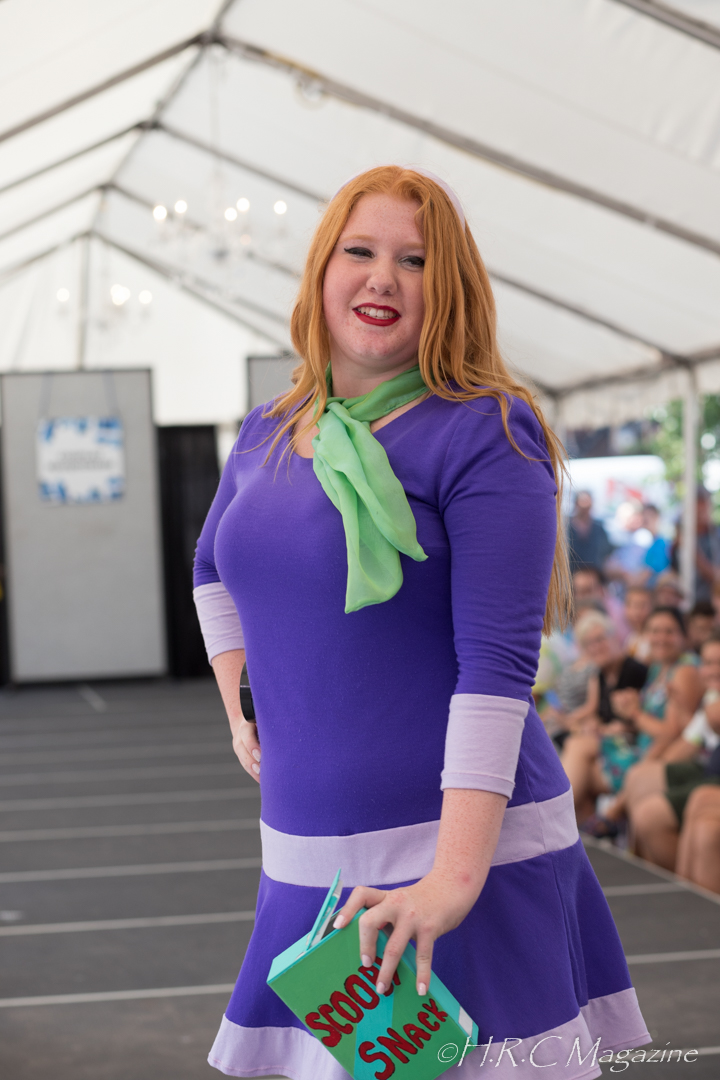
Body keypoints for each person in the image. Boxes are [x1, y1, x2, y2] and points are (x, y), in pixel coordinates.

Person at [193, 165, 648, 1078]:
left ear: (453, 289)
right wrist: (246, 709)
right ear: (321, 269)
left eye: (416, 260)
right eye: (359, 251)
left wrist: (452, 881)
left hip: (458, 860)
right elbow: (214, 569)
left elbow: (497, 667)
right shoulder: (268, 429)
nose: (383, 278)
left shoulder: (489, 430)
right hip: (306, 854)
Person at [624, 631, 720, 871]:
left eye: (719, 663)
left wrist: (635, 714)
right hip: (706, 767)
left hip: (710, 773)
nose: (713, 670)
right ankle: (640, 865)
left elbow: (706, 721)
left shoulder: (701, 687)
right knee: (639, 776)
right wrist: (658, 764)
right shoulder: (709, 692)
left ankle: (679, 882)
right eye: (708, 663)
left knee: (653, 815)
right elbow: (690, 740)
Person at [560, 613, 647, 827]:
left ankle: (556, 818)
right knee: (584, 771)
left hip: (634, 752)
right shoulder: (600, 674)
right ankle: (583, 835)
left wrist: (608, 729)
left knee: (577, 746)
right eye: (589, 644)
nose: (596, 647)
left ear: (614, 637)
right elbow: (595, 714)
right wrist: (591, 724)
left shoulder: (634, 670)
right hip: (610, 749)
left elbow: (638, 722)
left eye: (600, 639)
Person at [567, 491, 613, 574]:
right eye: (582, 504)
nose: (585, 508)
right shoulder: (566, 527)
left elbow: (606, 553)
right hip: (569, 574)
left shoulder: (599, 529)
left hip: (594, 575)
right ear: (576, 504)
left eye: (588, 505)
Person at [623, 585, 653, 662]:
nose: (637, 612)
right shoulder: (631, 638)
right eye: (632, 605)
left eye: (642, 606)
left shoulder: (655, 638)